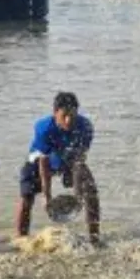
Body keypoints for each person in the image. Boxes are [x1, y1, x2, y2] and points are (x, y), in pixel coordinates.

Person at [14, 91, 101, 245]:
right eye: (64, 116)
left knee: (90, 190)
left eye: (73, 115)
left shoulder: (85, 126)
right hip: (39, 160)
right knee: (27, 196)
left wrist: (78, 196)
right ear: (55, 114)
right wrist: (46, 196)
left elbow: (80, 158)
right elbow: (44, 163)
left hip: (68, 159)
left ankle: (94, 238)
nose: (69, 121)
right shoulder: (44, 128)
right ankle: (20, 238)